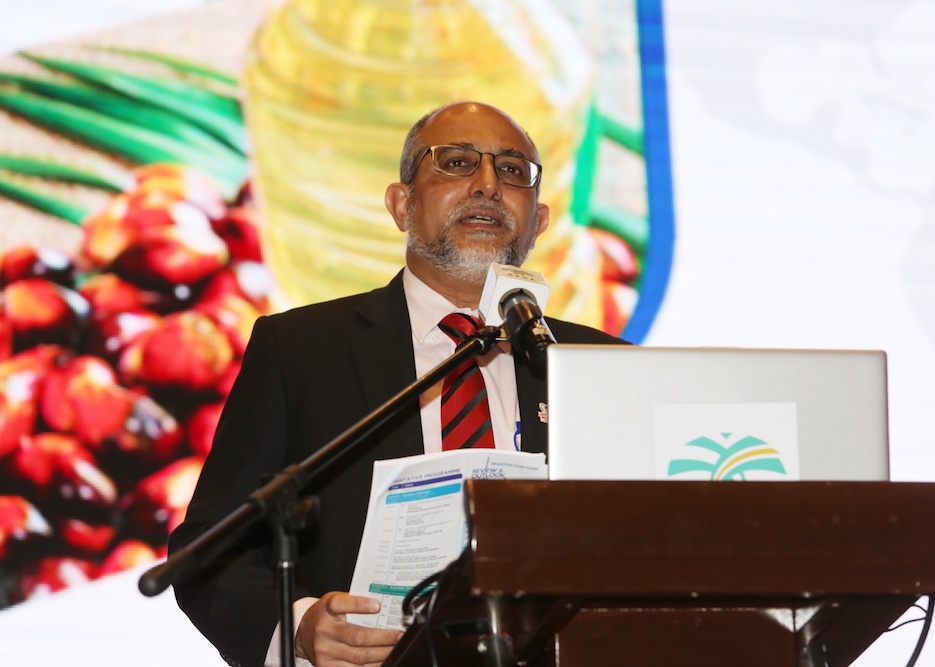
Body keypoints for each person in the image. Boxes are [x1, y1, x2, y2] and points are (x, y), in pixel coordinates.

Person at [169, 102, 625, 667]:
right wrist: (299, 627)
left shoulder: (600, 365)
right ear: (401, 204)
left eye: (512, 171)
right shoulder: (303, 350)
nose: (488, 184)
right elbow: (210, 549)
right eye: (456, 162)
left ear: (539, 221)